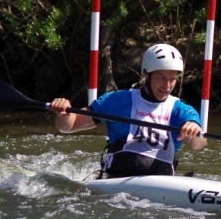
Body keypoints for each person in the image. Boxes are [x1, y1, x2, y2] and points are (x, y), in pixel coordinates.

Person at [50, 43, 207, 177]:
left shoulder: (181, 110)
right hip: (118, 179)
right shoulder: (117, 101)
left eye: (172, 79)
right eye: (161, 77)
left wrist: (194, 130)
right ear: (146, 74)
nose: (167, 85)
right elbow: (68, 126)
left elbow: (198, 145)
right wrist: (65, 113)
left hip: (160, 181)